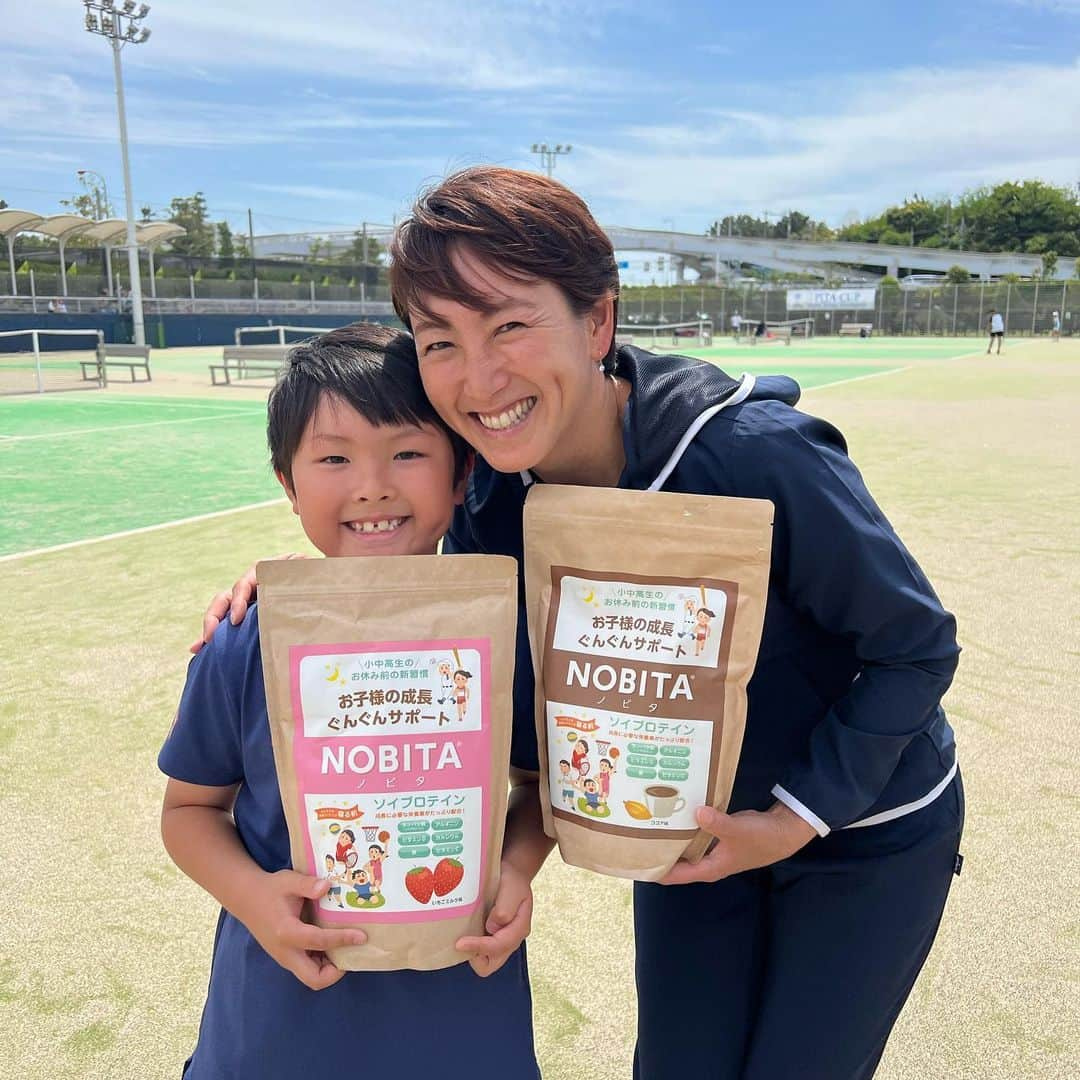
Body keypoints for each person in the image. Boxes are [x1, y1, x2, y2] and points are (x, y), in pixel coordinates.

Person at [201, 167, 963, 1080]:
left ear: (598, 321)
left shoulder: (753, 454)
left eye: (511, 325)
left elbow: (915, 646)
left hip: (858, 827)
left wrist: (796, 819)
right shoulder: (490, 490)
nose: (479, 379)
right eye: (439, 341)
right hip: (680, 828)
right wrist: (309, 587)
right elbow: (429, 570)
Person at [162, 324, 539, 1079]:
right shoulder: (247, 639)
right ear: (288, 482)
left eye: (407, 452)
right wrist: (255, 897)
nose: (372, 485)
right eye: (333, 458)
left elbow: (533, 790)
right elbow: (189, 811)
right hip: (282, 1021)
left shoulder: (503, 630)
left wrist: (519, 870)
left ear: (462, 473)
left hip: (465, 1014)